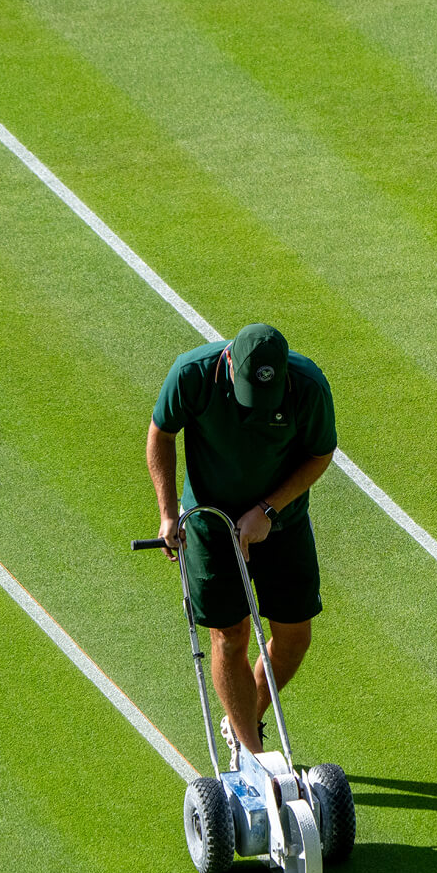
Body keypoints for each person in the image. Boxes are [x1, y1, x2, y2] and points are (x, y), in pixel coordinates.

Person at [146, 323, 335, 759]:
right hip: (211, 523)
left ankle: (242, 718)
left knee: (294, 637)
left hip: (281, 522)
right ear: (229, 362)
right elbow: (162, 432)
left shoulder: (308, 387)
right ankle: (251, 756)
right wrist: (168, 513)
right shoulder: (192, 374)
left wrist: (268, 510)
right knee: (230, 636)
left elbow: (320, 453)